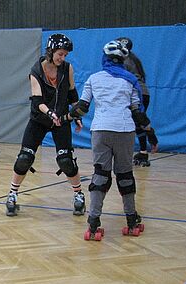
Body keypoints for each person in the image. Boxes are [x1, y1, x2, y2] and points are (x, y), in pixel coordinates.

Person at [67, 40, 149, 240]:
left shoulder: (94, 78)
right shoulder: (130, 79)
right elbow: (137, 112)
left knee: (100, 175)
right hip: (124, 131)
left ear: (104, 58)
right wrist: (149, 131)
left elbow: (82, 107)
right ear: (123, 60)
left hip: (100, 131)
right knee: (125, 175)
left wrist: (66, 117)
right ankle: (131, 221)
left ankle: (93, 224)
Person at [5, 33, 85, 217]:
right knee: (24, 158)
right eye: (60, 54)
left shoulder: (67, 68)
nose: (63, 58)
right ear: (51, 51)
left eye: (65, 55)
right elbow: (37, 101)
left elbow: (72, 93)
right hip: (39, 119)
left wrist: (76, 113)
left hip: (62, 119)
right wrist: (50, 113)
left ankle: (79, 194)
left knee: (65, 160)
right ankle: (12, 195)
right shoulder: (36, 71)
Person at [117, 37, 159, 167]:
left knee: (137, 119)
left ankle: (150, 134)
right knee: (137, 123)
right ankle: (143, 152)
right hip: (143, 92)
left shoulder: (123, 60)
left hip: (136, 93)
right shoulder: (134, 58)